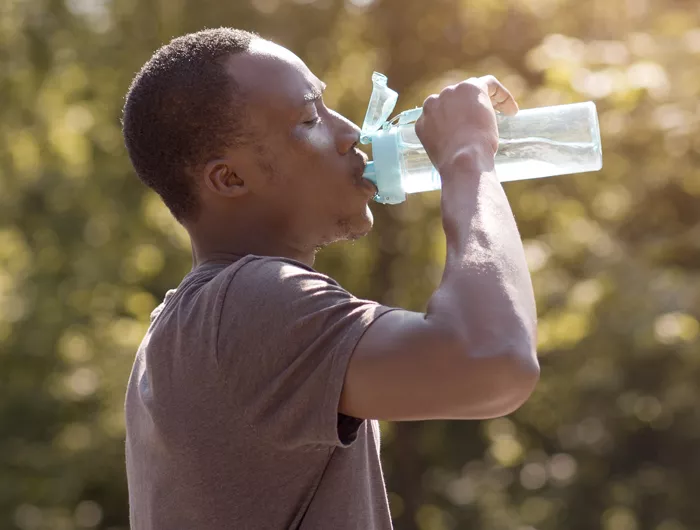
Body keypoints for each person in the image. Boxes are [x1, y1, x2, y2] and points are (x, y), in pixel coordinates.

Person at [121, 27, 539, 530]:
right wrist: (468, 158)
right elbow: (494, 362)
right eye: (309, 118)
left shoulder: (186, 324)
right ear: (230, 178)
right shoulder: (246, 305)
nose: (351, 135)